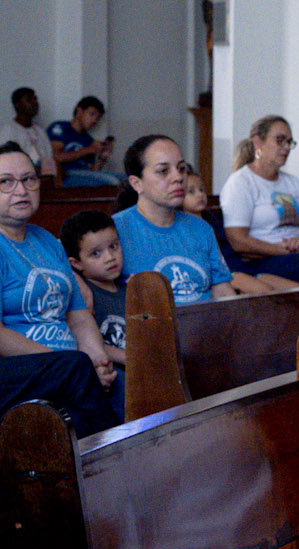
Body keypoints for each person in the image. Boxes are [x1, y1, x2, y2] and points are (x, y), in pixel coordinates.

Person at [0, 146, 117, 432]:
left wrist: (97, 360)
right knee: (78, 373)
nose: (21, 190)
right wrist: (64, 362)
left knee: (84, 415)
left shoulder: (48, 242)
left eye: (29, 179)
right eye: (5, 182)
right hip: (17, 371)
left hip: (66, 370)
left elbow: (79, 316)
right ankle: (124, 454)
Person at [112, 135, 237, 304]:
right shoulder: (115, 230)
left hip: (206, 318)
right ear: (136, 183)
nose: (178, 177)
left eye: (181, 168)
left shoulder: (201, 228)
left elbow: (222, 290)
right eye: (163, 171)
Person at [222, 115, 299, 285]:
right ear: (258, 142)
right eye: (280, 140)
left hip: (298, 254)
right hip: (262, 260)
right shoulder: (241, 182)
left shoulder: (291, 182)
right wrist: (281, 250)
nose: (287, 147)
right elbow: (237, 240)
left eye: (289, 142)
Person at [61, 211, 127, 371]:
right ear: (76, 263)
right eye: (96, 253)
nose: (110, 257)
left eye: (113, 246)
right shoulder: (82, 297)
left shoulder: (129, 290)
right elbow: (85, 342)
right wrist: (131, 359)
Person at [47, 95, 121, 187]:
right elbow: (57, 156)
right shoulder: (60, 127)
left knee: (125, 179)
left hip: (84, 174)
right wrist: (89, 149)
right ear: (79, 111)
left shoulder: (88, 139)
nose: (94, 120)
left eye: (98, 118)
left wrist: (102, 157)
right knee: (113, 182)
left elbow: (93, 171)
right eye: (92, 114)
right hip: (66, 173)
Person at [0, 88, 57, 180]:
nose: (34, 102)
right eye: (29, 100)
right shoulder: (8, 131)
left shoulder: (40, 131)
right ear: (17, 104)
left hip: (44, 177)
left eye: (35, 99)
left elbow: (49, 158)